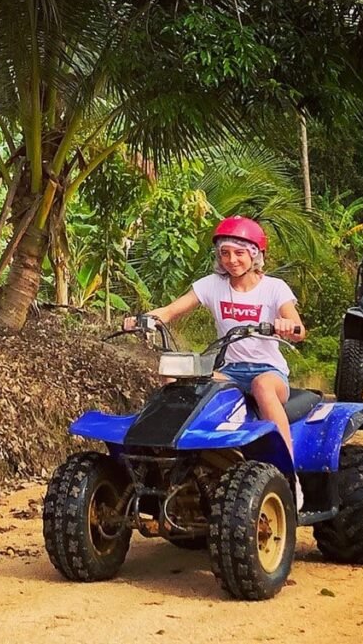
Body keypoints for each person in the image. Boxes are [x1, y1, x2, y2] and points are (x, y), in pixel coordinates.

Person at [124, 215, 307, 506]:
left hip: (268, 372)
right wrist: (144, 319)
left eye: (239, 253)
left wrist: (286, 326)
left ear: (255, 254)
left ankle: (288, 474)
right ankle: (172, 461)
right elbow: (171, 311)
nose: (231, 260)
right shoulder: (212, 285)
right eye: (225, 253)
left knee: (261, 386)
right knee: (182, 383)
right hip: (230, 372)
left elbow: (297, 327)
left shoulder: (274, 288)